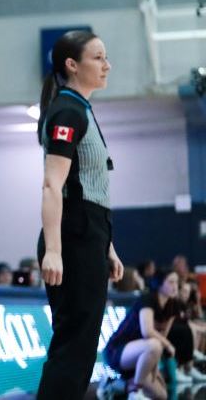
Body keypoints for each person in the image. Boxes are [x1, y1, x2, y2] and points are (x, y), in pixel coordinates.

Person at [35, 29, 125, 399]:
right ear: (72, 65)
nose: (107, 65)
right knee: (73, 346)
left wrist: (108, 246)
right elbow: (53, 186)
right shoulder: (68, 112)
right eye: (98, 58)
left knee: (81, 346)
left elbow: (90, 187)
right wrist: (54, 250)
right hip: (72, 237)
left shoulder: (80, 109)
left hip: (89, 234)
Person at [104, 270, 183, 399]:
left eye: (177, 282)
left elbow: (162, 337)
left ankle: (114, 384)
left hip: (145, 356)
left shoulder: (173, 305)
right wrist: (168, 345)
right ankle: (135, 391)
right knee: (155, 345)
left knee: (161, 395)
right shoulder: (148, 298)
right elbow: (148, 332)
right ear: (160, 284)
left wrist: (154, 366)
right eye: (171, 282)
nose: (175, 286)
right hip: (119, 351)